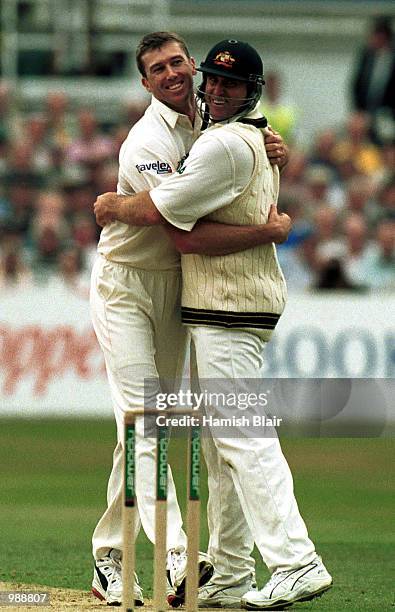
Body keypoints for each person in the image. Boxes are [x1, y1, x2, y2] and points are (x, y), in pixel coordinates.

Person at [94, 38, 332, 610]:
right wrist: (268, 146)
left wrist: (112, 205)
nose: (180, 76)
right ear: (147, 83)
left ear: (250, 90)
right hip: (136, 284)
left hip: (215, 298)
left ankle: (292, 559)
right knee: (168, 426)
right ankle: (207, 564)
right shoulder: (157, 137)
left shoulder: (223, 134)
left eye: (179, 62)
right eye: (160, 69)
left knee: (229, 432)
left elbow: (169, 222)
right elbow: (186, 205)